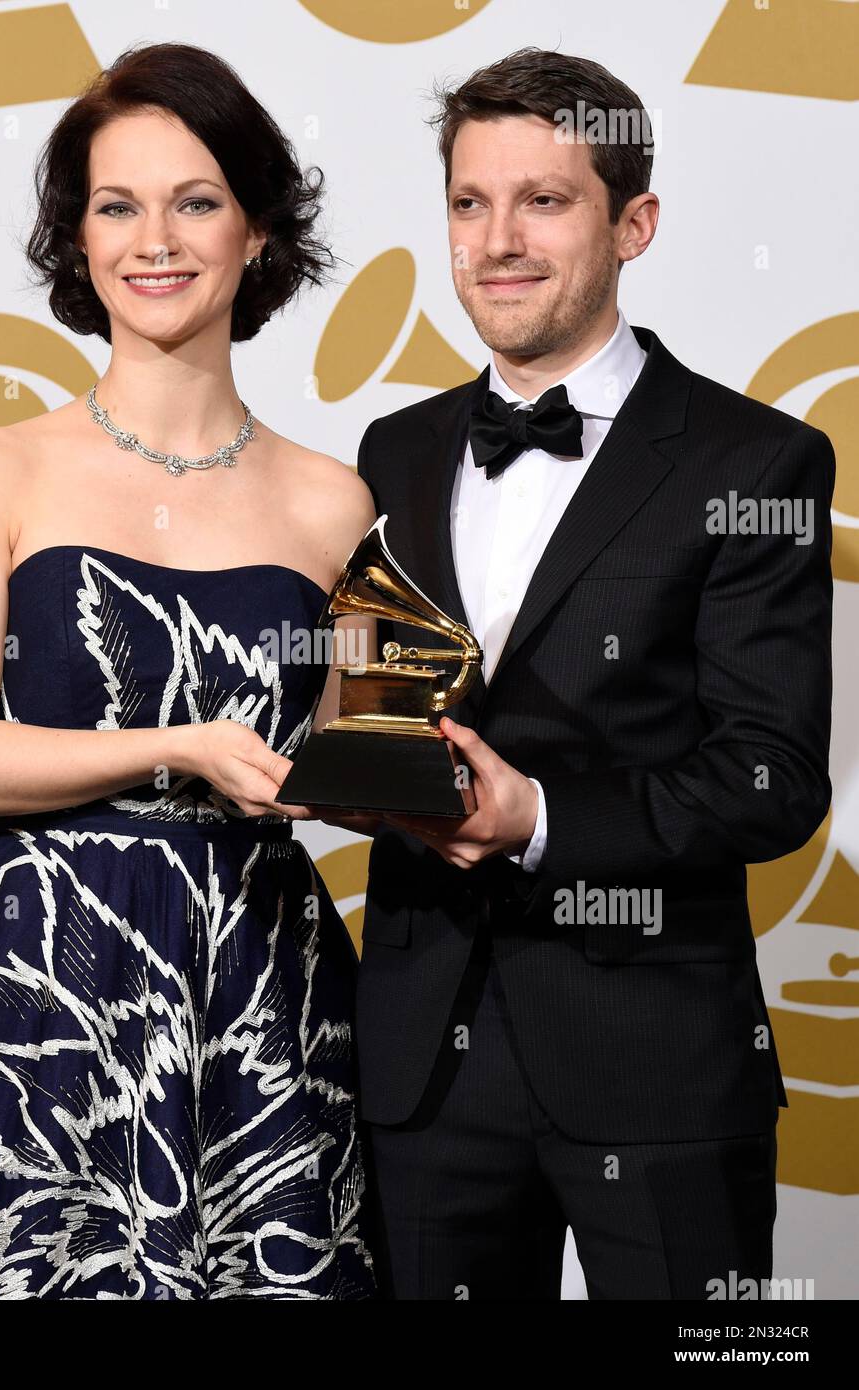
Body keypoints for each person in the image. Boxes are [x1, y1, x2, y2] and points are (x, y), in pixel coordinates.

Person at [0, 41, 378, 1300]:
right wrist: (180, 745)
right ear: (79, 241)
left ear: (258, 229)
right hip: (35, 977)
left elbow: (350, 766)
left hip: (254, 986)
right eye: (117, 205)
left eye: (196, 200)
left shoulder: (334, 501)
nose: (155, 238)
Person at [345, 48, 834, 1299]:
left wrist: (540, 819)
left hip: (656, 1065)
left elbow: (769, 779)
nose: (496, 241)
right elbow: (376, 710)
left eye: (543, 202)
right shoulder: (390, 450)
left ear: (634, 224)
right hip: (420, 1064)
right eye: (468, 203)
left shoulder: (758, 461)